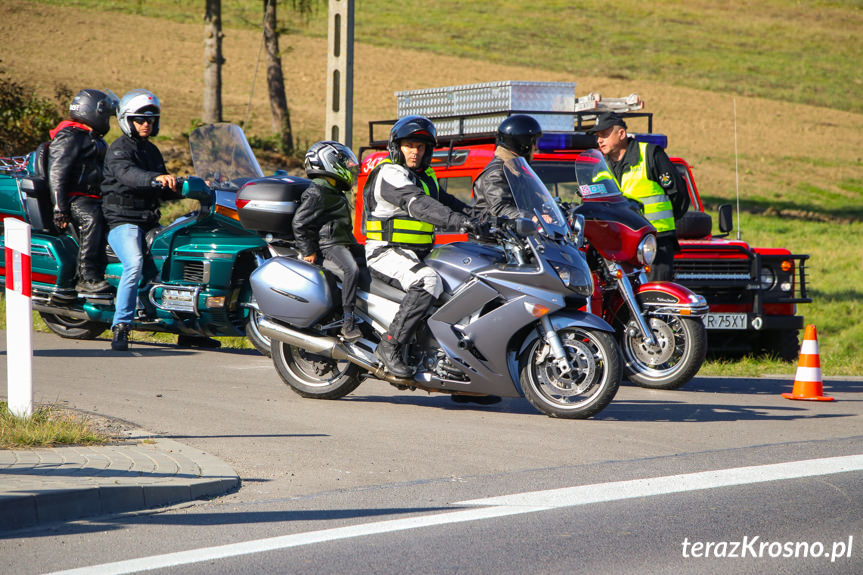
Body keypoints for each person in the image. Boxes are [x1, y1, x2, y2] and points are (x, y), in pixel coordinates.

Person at [101, 89, 217, 351]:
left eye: (151, 119)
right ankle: (121, 326)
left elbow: (165, 186)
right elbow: (130, 175)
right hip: (122, 222)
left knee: (183, 258)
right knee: (135, 263)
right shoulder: (118, 151)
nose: (146, 124)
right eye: (140, 119)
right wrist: (155, 179)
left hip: (149, 221)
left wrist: (197, 185)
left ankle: (190, 330)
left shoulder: (151, 150)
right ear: (127, 121)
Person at [363, 115, 475, 378]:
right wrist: (458, 222)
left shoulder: (426, 176)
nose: (415, 152)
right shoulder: (390, 173)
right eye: (410, 145)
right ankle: (390, 345)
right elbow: (418, 204)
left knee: (464, 284)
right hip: (386, 251)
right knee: (427, 282)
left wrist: (482, 218)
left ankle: (457, 368)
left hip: (418, 253)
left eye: (421, 147)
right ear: (397, 147)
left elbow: (448, 202)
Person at [587, 111, 690, 282]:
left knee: (655, 300)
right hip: (618, 246)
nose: (599, 140)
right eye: (597, 136)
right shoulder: (600, 167)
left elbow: (679, 195)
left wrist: (663, 225)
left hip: (654, 246)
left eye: (604, 134)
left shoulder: (649, 154)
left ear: (621, 134)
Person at [48, 89, 118, 294]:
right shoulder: (70, 135)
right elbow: (57, 171)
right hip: (75, 198)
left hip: (94, 196)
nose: (107, 120)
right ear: (92, 111)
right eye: (106, 115)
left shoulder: (92, 138)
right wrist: (59, 207)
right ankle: (86, 276)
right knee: (92, 219)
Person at [293, 141, 363, 341]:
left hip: (342, 241)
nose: (349, 166)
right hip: (329, 244)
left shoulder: (333, 191)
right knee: (352, 270)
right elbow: (299, 223)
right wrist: (308, 251)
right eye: (343, 161)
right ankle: (347, 321)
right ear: (329, 162)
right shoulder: (318, 192)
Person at [472, 114, 543, 220]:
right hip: (496, 235)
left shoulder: (516, 170)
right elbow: (499, 209)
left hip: (521, 234)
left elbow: (535, 202)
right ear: (524, 144)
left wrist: (557, 209)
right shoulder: (497, 173)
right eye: (534, 142)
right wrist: (531, 217)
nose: (536, 147)